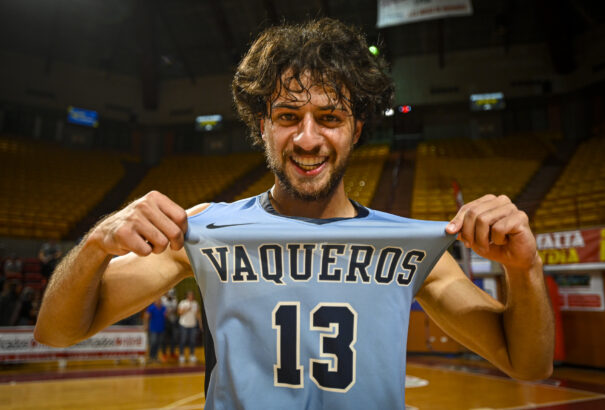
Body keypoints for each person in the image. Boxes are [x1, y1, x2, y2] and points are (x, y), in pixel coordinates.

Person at [34, 18, 553, 409]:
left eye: (329, 117)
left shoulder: (412, 248)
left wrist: (522, 269)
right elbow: (57, 331)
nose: (308, 139)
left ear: (357, 127)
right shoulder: (206, 230)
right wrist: (98, 241)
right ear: (262, 124)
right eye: (287, 117)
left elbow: (527, 364)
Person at [177, 290, 201, 364]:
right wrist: (187, 309)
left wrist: (200, 324)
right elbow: (179, 313)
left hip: (192, 325)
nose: (191, 296)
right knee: (183, 341)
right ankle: (181, 355)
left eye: (192, 295)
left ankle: (192, 355)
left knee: (192, 341)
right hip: (184, 325)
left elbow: (198, 314)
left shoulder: (195, 303)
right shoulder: (183, 302)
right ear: (187, 296)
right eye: (190, 295)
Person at [144, 298, 166, 363]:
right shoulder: (151, 308)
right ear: (155, 301)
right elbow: (146, 317)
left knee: (158, 344)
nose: (159, 302)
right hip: (153, 328)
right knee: (153, 343)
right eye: (157, 300)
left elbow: (165, 316)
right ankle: (151, 357)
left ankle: (156, 357)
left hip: (161, 328)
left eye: (160, 300)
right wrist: (146, 325)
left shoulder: (163, 308)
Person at [161, 288, 179, 362]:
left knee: (173, 338)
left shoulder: (175, 300)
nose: (170, 296)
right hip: (164, 321)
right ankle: (164, 354)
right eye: (169, 294)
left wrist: (171, 311)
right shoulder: (163, 299)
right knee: (165, 339)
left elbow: (175, 310)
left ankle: (172, 352)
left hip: (172, 321)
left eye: (172, 295)